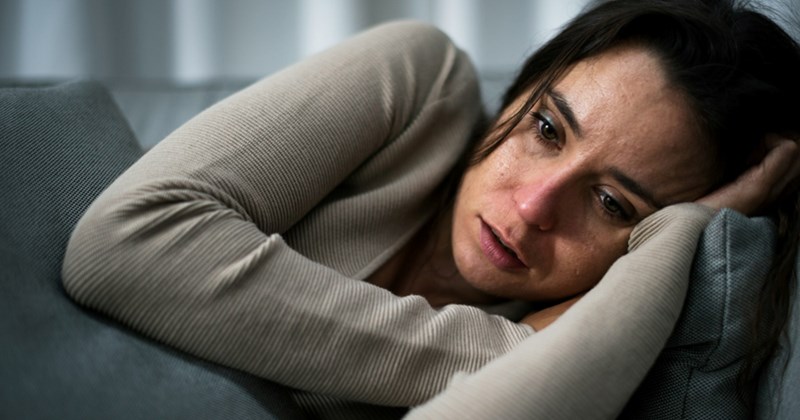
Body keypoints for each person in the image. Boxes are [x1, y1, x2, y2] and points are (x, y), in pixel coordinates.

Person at [62, 0, 800, 418]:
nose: (535, 204)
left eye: (610, 203)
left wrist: (687, 233)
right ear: (519, 90)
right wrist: (497, 352)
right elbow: (123, 242)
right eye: (546, 129)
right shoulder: (420, 85)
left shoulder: (588, 336)